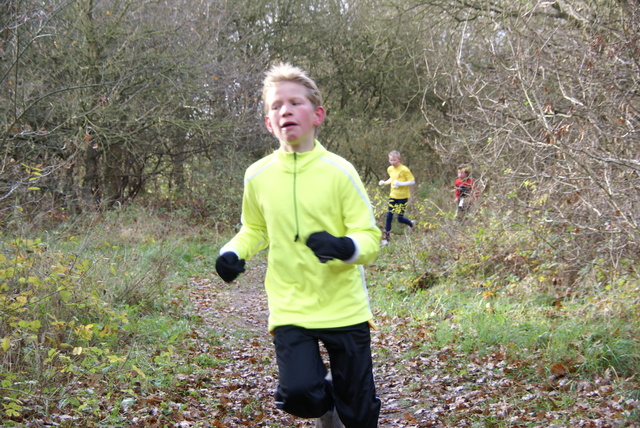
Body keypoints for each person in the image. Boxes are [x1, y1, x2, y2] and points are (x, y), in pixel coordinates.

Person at [215, 63, 381, 428]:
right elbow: (254, 228)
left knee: (360, 412)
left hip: (344, 306)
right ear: (268, 123)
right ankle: (325, 405)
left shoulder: (340, 171)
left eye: (295, 102)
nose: (285, 110)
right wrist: (231, 253)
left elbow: (370, 238)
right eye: (276, 106)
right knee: (300, 393)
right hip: (290, 305)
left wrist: (343, 246)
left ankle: (347, 406)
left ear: (317, 115)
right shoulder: (257, 175)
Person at [378, 150, 415, 246]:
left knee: (400, 218)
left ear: (399, 159)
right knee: (389, 216)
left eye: (394, 160)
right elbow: (392, 178)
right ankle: (387, 240)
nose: (392, 162)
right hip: (393, 196)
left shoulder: (404, 169)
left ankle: (411, 224)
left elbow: (412, 181)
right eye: (390, 160)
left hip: (403, 197)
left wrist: (401, 184)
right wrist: (384, 182)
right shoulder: (390, 169)